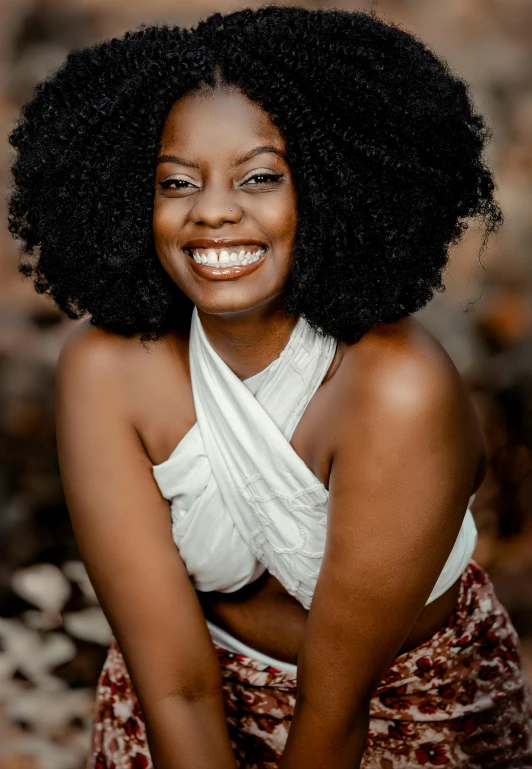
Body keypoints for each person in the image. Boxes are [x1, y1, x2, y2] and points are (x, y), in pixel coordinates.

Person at [7, 6, 532, 768]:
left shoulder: (395, 389)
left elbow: (335, 707)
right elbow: (177, 687)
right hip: (181, 711)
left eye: (260, 177)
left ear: (325, 188)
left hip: (402, 711)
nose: (214, 211)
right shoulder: (105, 369)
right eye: (177, 182)